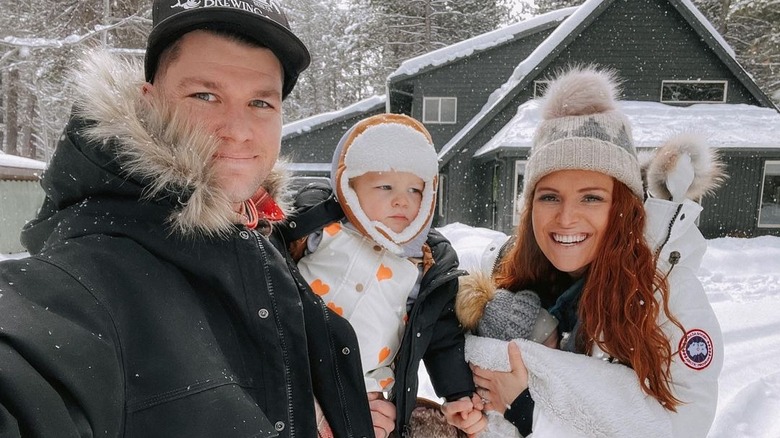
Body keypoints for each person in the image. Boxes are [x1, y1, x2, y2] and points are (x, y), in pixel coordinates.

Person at [0, 1, 392, 436]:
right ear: (149, 102)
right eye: (205, 95)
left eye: (261, 101)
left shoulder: (259, 239)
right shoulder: (92, 276)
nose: (238, 129)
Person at [443, 66, 725, 437]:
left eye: (591, 197)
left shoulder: (665, 293)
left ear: (623, 207)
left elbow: (680, 428)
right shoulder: (505, 276)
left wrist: (530, 409)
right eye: (549, 197)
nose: (566, 218)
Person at [280, 113, 486, 436]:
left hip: (363, 392)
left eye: (415, 190)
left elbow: (440, 336)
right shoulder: (320, 230)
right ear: (350, 188)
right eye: (385, 185)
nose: (402, 199)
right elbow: (272, 260)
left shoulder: (422, 264)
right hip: (292, 369)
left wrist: (457, 391)